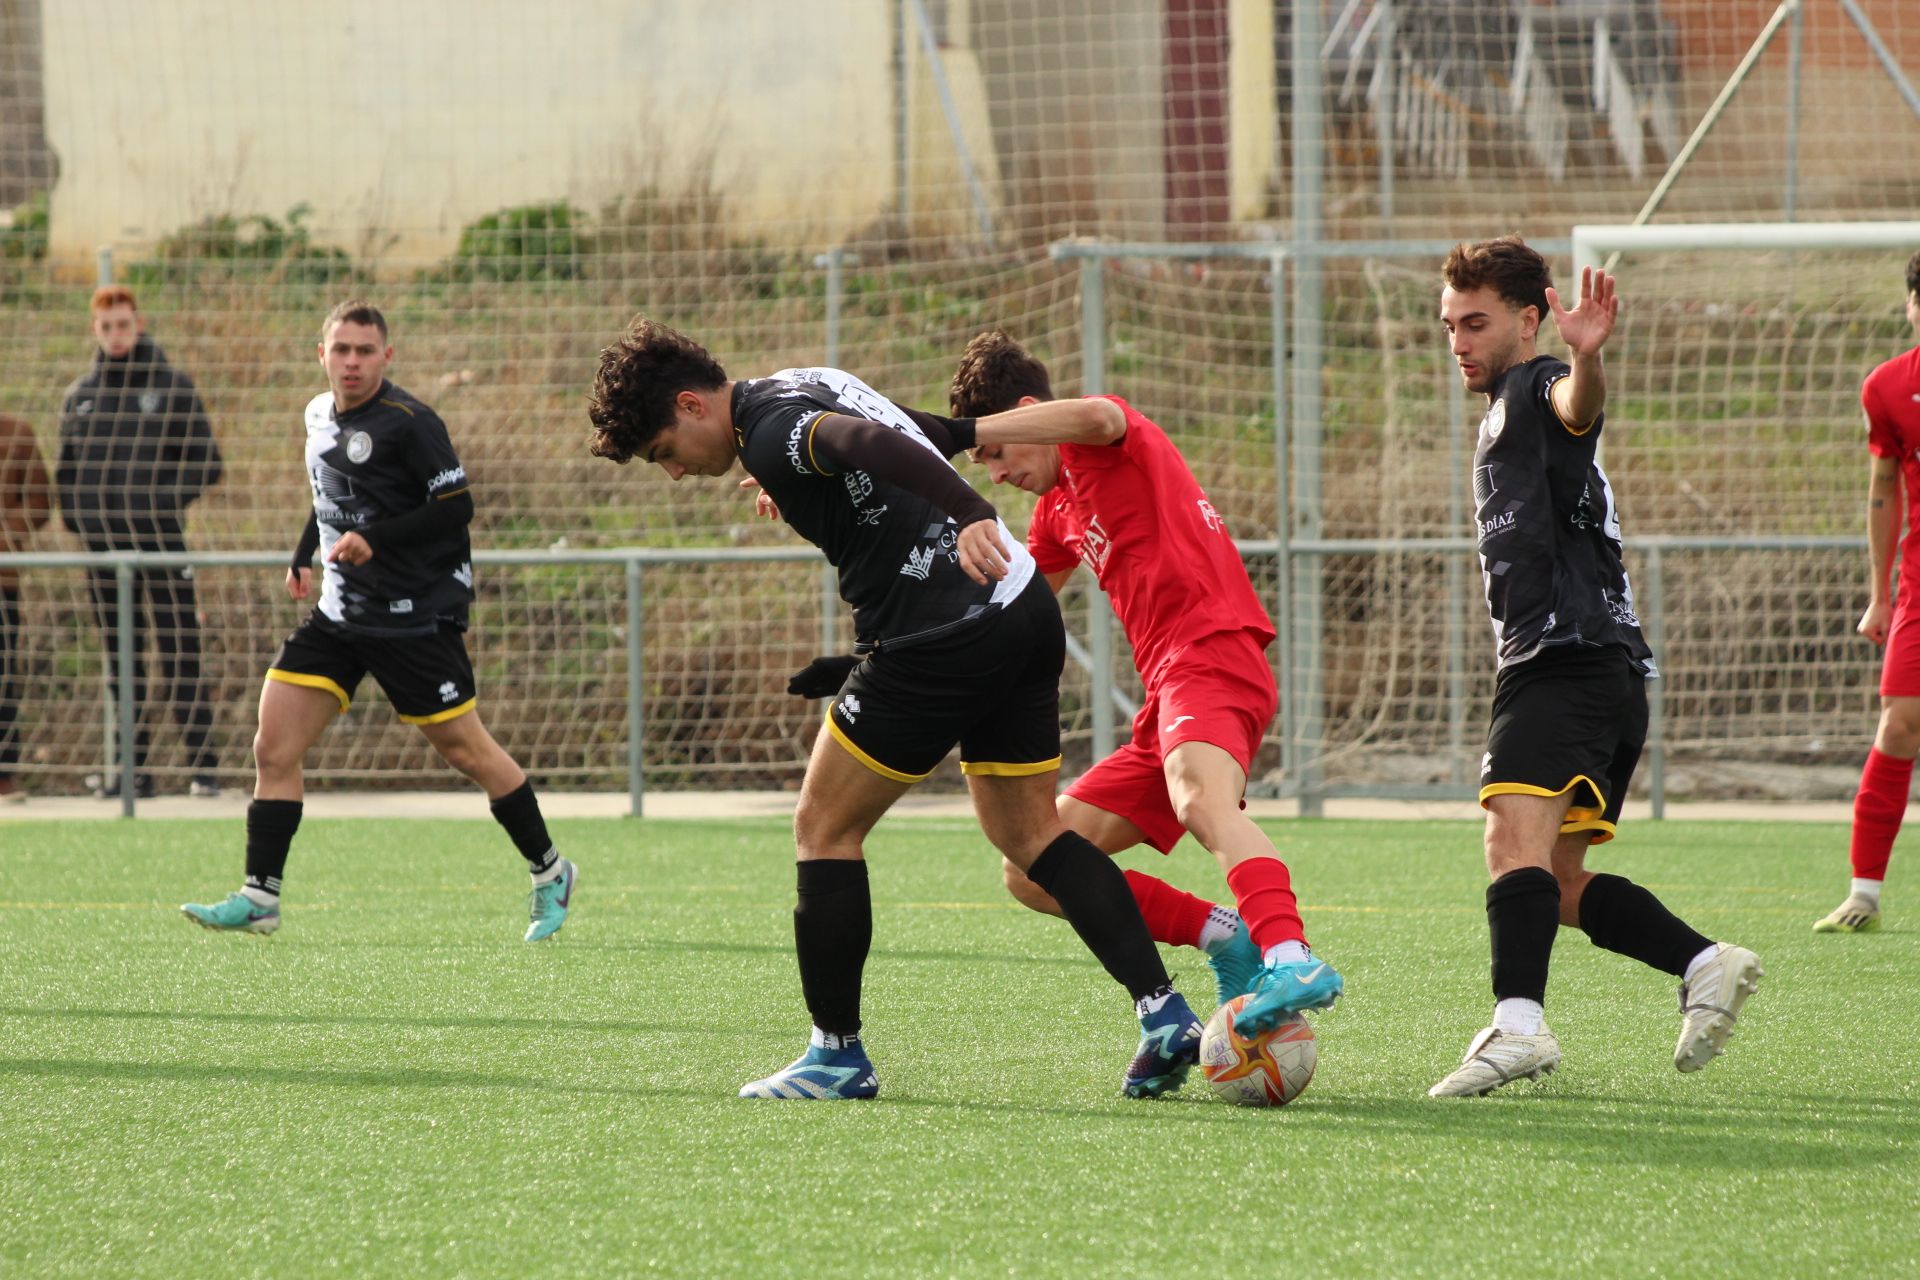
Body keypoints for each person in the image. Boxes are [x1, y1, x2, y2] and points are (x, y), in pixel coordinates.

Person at [588, 318, 1204, 1101]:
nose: (674, 473)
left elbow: (865, 444)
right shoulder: (796, 384)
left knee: (823, 828)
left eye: (664, 453)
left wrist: (973, 505)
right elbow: (918, 432)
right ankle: (1163, 1012)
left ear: (691, 404)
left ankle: (836, 1055)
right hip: (1016, 610)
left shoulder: (775, 432)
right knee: (1029, 834)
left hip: (937, 635)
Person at [1429, 236, 1762, 1097]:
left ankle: (1519, 1025)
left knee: (1510, 838)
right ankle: (1703, 962)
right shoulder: (1506, 403)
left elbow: (1577, 404)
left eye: (1476, 322)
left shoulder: (1532, 385)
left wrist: (1583, 358)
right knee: (1558, 881)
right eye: (1448, 325)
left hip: (1562, 658)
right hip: (1604, 666)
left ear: (1529, 319)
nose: (1458, 341)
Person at [945, 330, 1343, 1035]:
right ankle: (1228, 935)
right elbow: (1016, 605)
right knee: (1034, 863)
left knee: (1201, 802)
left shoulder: (1105, 441)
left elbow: (1099, 415)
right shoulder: (1056, 511)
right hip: (1166, 700)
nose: (996, 474)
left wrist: (971, 431)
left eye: (997, 453)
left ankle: (1291, 955)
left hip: (1213, 654)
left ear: (1030, 415)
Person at [181, 301, 577, 942]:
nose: (353, 362)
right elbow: (328, 491)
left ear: (386, 357)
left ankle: (550, 871)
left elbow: (457, 506)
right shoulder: (315, 414)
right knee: (273, 746)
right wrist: (303, 553)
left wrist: (377, 541)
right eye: (341, 350)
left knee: (466, 751)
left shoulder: (411, 423)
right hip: (339, 616)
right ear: (322, 355)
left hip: (414, 616)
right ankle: (260, 896)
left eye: (365, 350)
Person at [56, 286, 223, 798]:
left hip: (163, 546)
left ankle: (204, 772)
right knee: (121, 662)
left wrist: (158, 504)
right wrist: (85, 525)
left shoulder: (171, 387)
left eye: (124, 325)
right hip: (104, 556)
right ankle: (132, 774)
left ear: (139, 323)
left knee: (180, 655)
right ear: (95, 331)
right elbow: (66, 477)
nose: (116, 335)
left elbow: (208, 463)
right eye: (107, 328)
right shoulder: (80, 397)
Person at [1815, 250, 1920, 935]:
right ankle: (1863, 893)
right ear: (1911, 305)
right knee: (1901, 721)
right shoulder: (1887, 388)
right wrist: (1878, 597)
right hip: (1918, 585)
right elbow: (1883, 491)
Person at [0, 411, 52, 803]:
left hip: (3, 576)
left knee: (3, 672)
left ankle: (4, 773)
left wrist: (4, 536)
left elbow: (39, 502)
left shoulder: (16, 431)